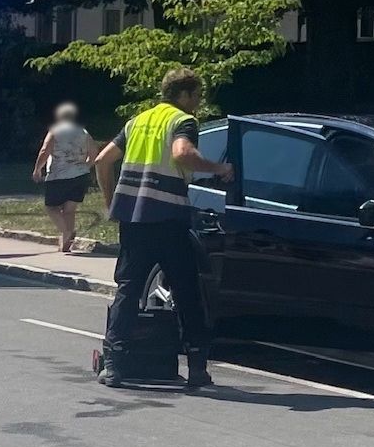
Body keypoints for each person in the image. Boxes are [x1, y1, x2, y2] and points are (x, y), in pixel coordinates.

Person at [94, 68, 233, 389]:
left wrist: (112, 202)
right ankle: (197, 369)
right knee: (186, 290)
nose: (198, 102)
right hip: (169, 219)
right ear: (183, 95)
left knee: (128, 289)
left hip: (134, 221)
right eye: (196, 95)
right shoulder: (182, 121)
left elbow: (102, 161)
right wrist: (218, 168)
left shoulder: (137, 121)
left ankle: (114, 365)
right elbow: (182, 154)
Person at [32, 102, 96, 252]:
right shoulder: (83, 132)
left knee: (51, 208)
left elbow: (44, 151)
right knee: (69, 210)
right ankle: (66, 244)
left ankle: (66, 232)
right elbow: (94, 153)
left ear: (60, 117)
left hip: (59, 175)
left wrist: (37, 169)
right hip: (80, 175)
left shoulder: (55, 131)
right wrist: (86, 166)